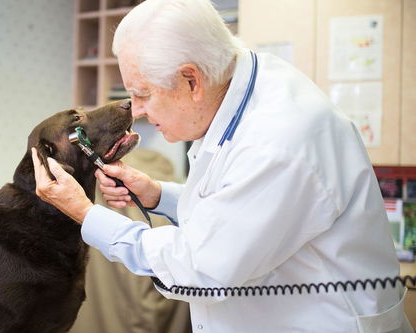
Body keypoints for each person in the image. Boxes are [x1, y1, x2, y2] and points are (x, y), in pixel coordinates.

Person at [32, 0, 411, 331]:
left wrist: (87, 214)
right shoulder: (244, 81)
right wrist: (158, 194)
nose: (139, 110)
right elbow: (234, 208)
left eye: (143, 94)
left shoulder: (277, 143)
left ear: (191, 80)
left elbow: (202, 270)